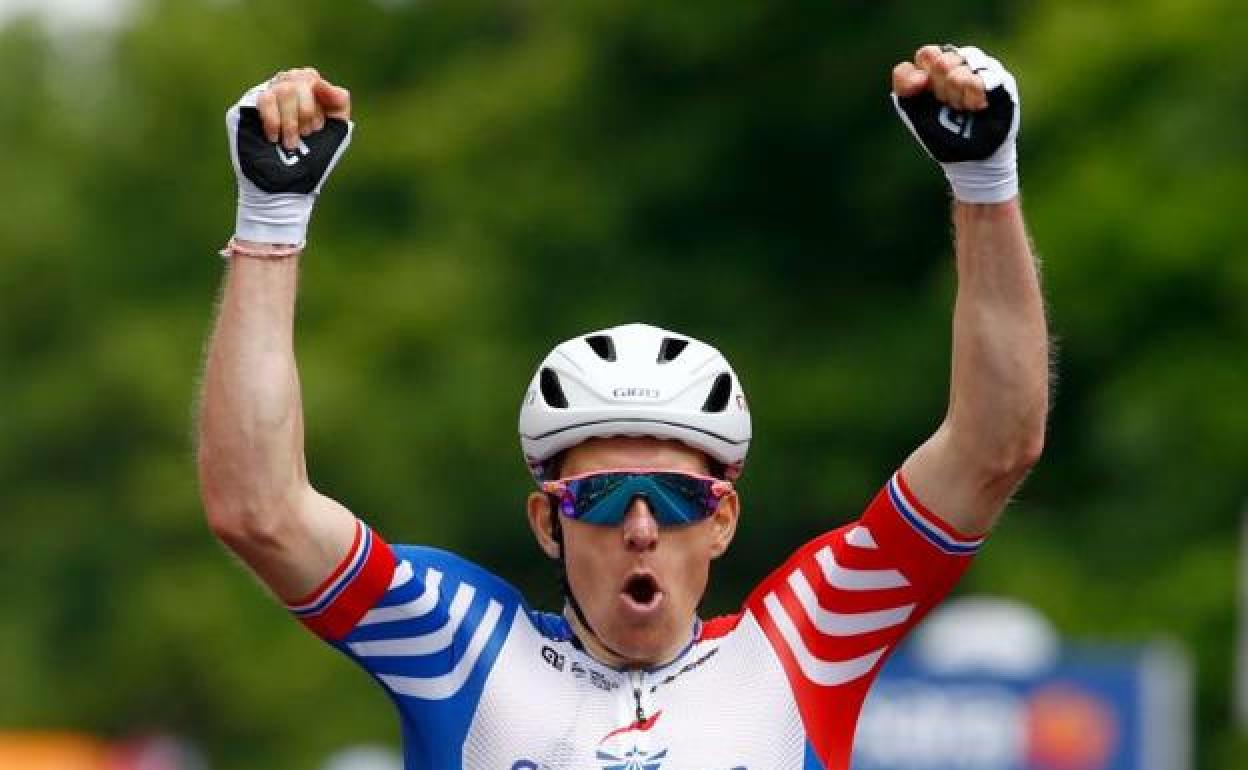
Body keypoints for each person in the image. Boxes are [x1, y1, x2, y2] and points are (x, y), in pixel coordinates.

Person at [198, 43, 1048, 770]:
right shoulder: (459, 645)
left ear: (723, 521)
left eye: (679, 497)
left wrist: (985, 183)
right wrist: (271, 220)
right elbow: (259, 510)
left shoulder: (805, 644)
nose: (641, 525)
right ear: (546, 522)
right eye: (600, 496)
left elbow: (993, 446)